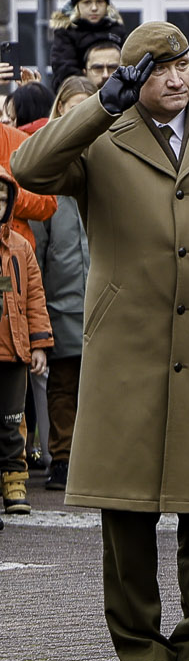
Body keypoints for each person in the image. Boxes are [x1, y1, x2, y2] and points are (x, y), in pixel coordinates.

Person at [14, 23, 189, 661]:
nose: (172, 76)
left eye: (181, 63)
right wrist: (101, 104)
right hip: (126, 353)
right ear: (133, 76)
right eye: (156, 67)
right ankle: (142, 649)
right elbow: (28, 169)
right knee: (126, 510)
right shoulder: (101, 138)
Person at [29, 95, 86, 493]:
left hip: (104, 303)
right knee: (63, 386)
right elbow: (40, 250)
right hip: (61, 302)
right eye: (72, 107)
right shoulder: (54, 182)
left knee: (102, 386)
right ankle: (62, 457)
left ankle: (97, 456)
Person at [0, 168, 51, 516]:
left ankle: (15, 478)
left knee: (12, 418)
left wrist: (38, 345)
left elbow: (35, 298)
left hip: (13, 350)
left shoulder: (21, 248)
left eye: (4, 199)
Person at [47, 0, 125, 86]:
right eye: (87, 2)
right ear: (77, 6)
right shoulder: (66, 33)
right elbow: (64, 69)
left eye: (99, 1)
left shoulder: (117, 31)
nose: (94, 8)